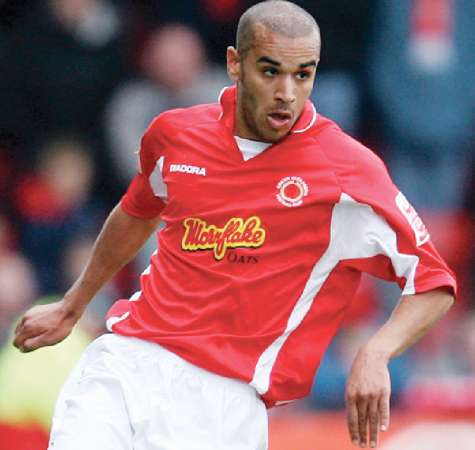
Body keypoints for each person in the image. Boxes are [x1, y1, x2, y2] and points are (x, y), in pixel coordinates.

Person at [13, 2, 456, 449]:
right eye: (271, 71)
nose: (287, 92)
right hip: (125, 363)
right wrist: (74, 303)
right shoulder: (174, 134)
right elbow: (137, 210)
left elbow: (433, 281)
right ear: (234, 64)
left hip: (225, 403)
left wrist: (376, 352)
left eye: (303, 74)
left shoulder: (347, 171)